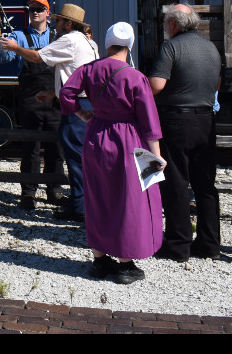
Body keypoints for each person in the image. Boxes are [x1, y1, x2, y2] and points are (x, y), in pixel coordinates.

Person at [60, 22, 165, 285]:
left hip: (96, 136)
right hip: (127, 139)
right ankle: (126, 265)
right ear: (129, 46)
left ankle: (99, 260)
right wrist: (157, 156)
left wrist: (82, 113)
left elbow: (66, 92)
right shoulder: (135, 76)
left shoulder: (89, 69)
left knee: (98, 197)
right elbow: (149, 122)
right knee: (127, 199)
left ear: (107, 44)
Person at [0, 3, 97, 220]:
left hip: (74, 105)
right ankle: (33, 193)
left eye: (60, 20)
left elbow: (37, 58)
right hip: (53, 99)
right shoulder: (87, 42)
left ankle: (73, 203)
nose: (57, 23)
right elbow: (75, 76)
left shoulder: (68, 39)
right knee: (35, 147)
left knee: (65, 152)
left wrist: (15, 48)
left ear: (68, 24)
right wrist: (54, 92)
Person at [148, 4, 222, 262]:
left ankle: (178, 245)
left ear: (173, 24)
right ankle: (210, 244)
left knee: (176, 182)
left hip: (177, 119)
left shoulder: (171, 47)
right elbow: (217, 83)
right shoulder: (211, 48)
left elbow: (157, 85)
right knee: (205, 184)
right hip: (206, 119)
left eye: (167, 22)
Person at [0, 0, 65, 211]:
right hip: (29, 98)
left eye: (40, 9)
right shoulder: (18, 36)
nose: (35, 12)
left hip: (54, 98)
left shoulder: (58, 36)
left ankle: (55, 191)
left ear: (48, 13)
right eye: (32, 9)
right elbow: (2, 59)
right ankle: (28, 193)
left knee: (55, 147)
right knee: (30, 148)